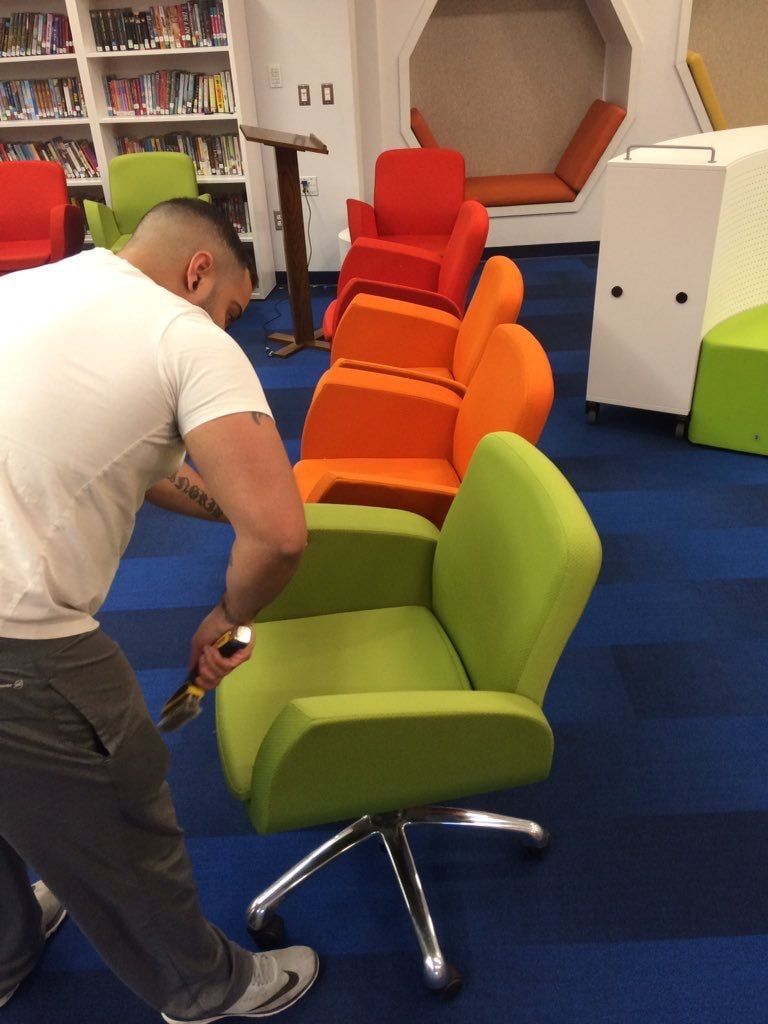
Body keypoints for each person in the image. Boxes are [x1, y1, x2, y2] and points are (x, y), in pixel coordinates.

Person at [0, 199, 318, 1022]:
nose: (232, 328)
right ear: (199, 271)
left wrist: (232, 501)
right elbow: (281, 539)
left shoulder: (31, 287)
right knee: (121, 811)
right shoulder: (185, 336)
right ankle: (204, 988)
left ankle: (7, 945)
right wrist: (228, 618)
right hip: (19, 642)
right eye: (235, 311)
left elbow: (117, 454)